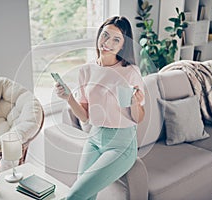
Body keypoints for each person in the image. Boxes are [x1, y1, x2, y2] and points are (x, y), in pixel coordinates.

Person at [55, 16, 145, 200]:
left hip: (122, 144)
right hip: (94, 139)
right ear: (98, 36)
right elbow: (86, 117)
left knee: (75, 194)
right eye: (105, 35)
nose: (107, 43)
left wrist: (135, 102)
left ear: (123, 45)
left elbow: (139, 118)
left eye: (116, 40)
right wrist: (68, 98)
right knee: (86, 195)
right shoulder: (86, 70)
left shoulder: (131, 72)